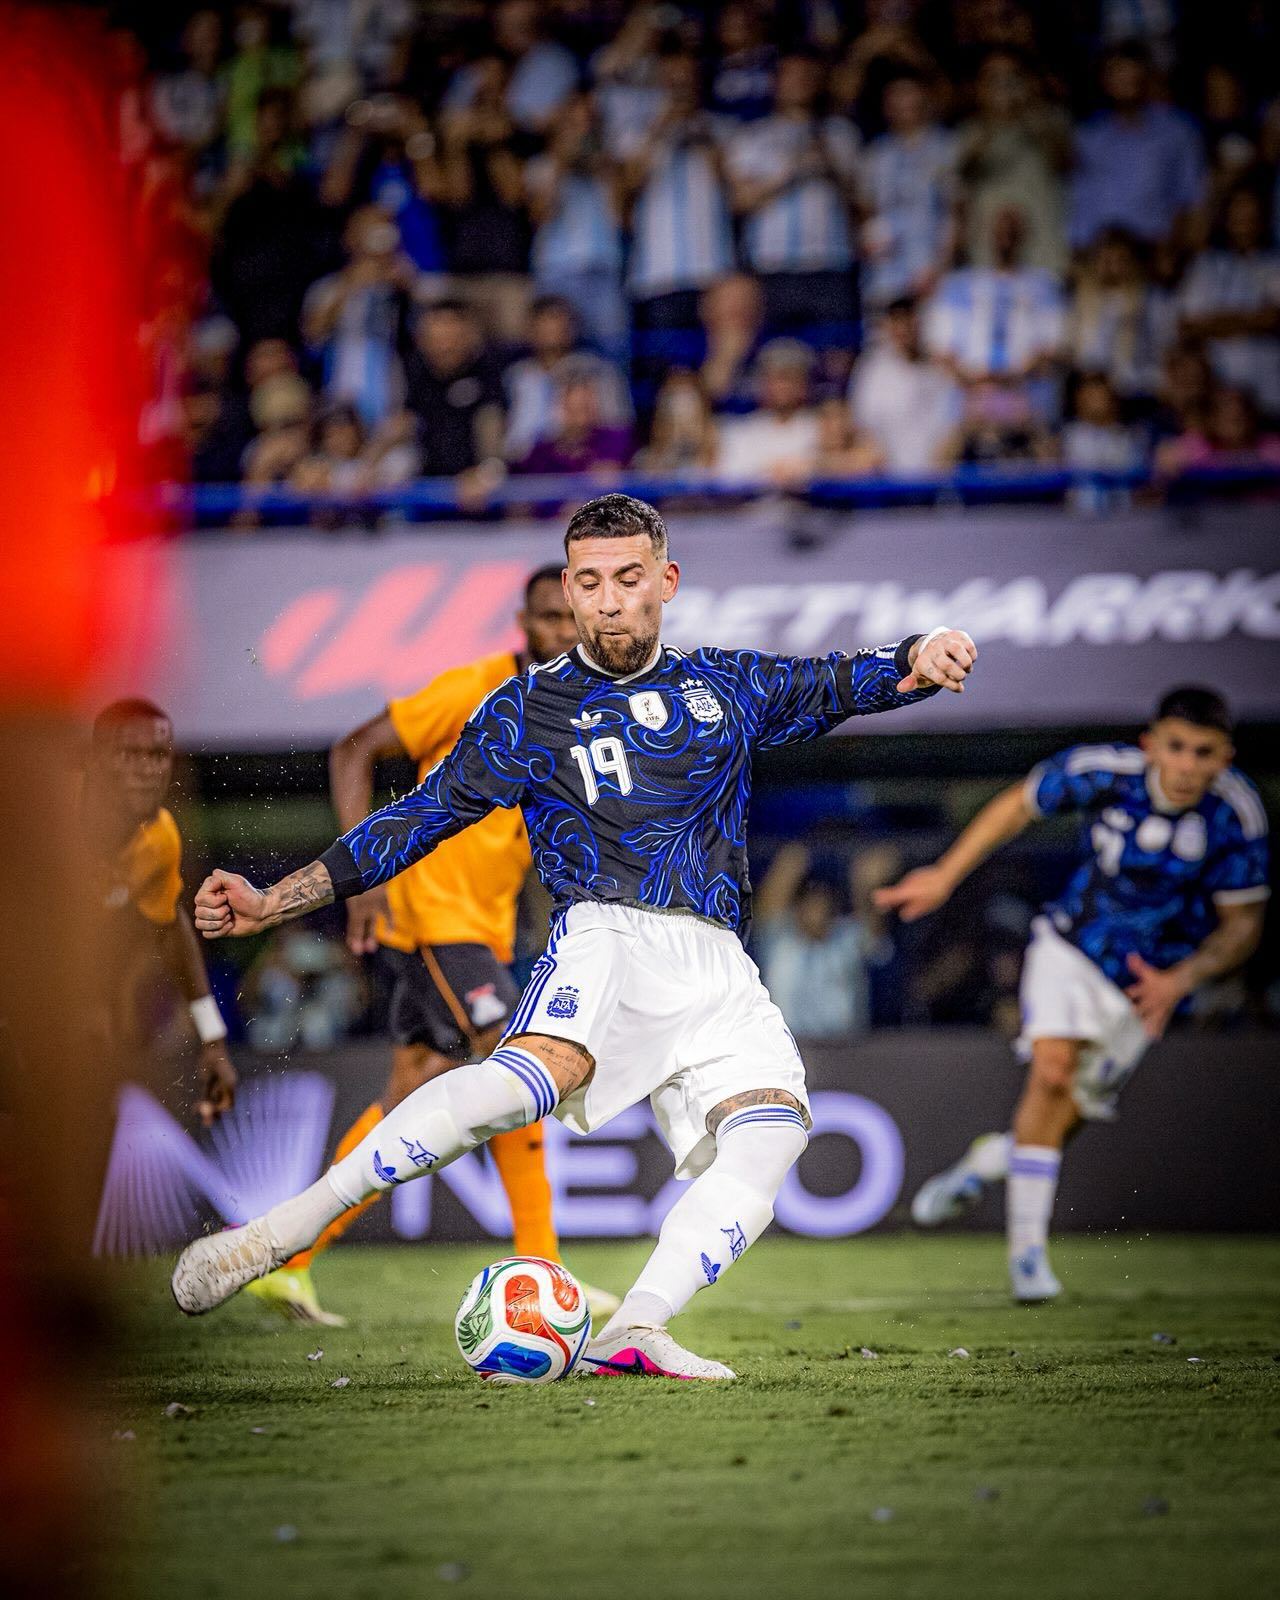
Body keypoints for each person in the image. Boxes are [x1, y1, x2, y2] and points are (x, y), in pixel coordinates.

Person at [173, 493, 977, 1381]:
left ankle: (637, 1328)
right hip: (604, 934)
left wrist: (919, 651)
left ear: (666, 582)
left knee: (774, 1134)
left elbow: (836, 682)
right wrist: (275, 901)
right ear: (568, 587)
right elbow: (415, 819)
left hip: (717, 960)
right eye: (588, 583)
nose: (607, 601)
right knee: (518, 1087)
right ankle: (273, 1235)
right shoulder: (526, 709)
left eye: (628, 579)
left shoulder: (724, 685)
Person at [245, 567, 598, 1324]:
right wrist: (361, 878)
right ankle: (543, 1266)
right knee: (522, 1065)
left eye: (572, 618)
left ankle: (289, 1260)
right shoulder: (472, 687)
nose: (564, 633)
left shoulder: (574, 710)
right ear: (523, 623)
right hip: (437, 918)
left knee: (408, 1095)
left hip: (481, 928)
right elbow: (354, 748)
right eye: (549, 618)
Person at [876, 686, 1269, 1303]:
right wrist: (946, 876)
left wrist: (1182, 980)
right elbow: (1017, 805)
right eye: (1176, 747)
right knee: (1053, 1074)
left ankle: (988, 1161)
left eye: (1204, 753)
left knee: (1066, 1117)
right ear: (1151, 744)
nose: (1187, 765)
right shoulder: (1103, 771)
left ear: (1225, 757)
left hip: (1150, 981)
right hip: (1071, 948)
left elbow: (1243, 925)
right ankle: (1028, 1261)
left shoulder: (1237, 813)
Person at [84, 700, 237, 1126]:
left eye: (158, 755)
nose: (148, 770)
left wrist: (212, 1038)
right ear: (95, 761)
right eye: (129, 754)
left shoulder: (159, 840)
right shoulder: (44, 822)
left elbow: (170, 928)